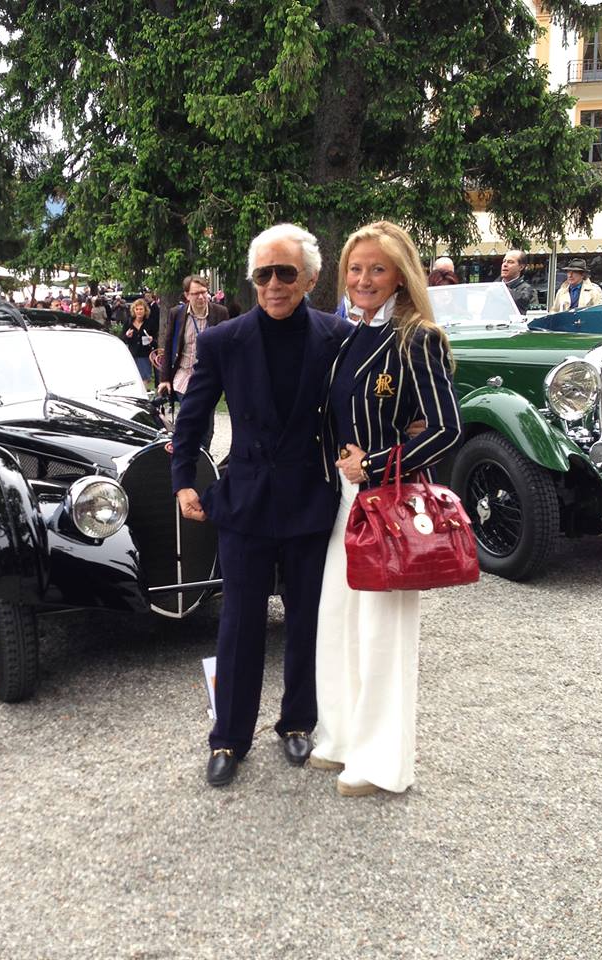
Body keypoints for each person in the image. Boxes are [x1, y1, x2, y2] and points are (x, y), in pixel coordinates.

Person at [171, 224, 350, 788]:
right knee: (240, 622)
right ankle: (228, 735)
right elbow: (193, 417)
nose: (273, 283)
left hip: (309, 497)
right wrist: (183, 482)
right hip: (245, 499)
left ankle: (298, 720)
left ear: (311, 279)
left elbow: (357, 410)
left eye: (285, 272)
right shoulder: (226, 340)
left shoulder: (337, 336)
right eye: (263, 274)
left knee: (305, 620)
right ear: (252, 280)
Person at [312, 220, 463, 797]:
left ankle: (381, 762)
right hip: (346, 500)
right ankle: (344, 737)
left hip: (388, 499)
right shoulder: (352, 336)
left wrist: (374, 465)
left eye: (377, 268)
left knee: (380, 633)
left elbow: (447, 428)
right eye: (355, 268)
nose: (363, 279)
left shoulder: (416, 336)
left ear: (400, 273)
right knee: (340, 622)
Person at [158, 275, 229, 449]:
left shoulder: (220, 313)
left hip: (209, 377)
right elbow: (169, 346)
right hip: (184, 375)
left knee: (207, 426)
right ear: (187, 295)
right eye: (196, 293)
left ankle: (203, 457)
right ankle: (188, 454)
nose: (201, 297)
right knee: (191, 418)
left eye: (204, 292)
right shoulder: (177, 314)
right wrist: (165, 379)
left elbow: (228, 346)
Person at [123, 298, 156, 383]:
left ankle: (143, 395)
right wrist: (127, 336)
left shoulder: (150, 323)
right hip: (132, 355)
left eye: (141, 309)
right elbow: (122, 339)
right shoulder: (128, 322)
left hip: (144, 355)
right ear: (134, 310)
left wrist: (151, 340)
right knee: (132, 379)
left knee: (144, 379)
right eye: (137, 309)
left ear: (145, 310)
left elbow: (155, 341)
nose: (139, 311)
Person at [498, 250, 538, 314]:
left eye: (510, 262)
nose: (505, 265)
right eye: (504, 261)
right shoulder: (493, 288)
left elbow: (533, 316)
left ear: (521, 267)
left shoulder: (529, 291)